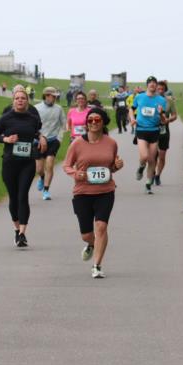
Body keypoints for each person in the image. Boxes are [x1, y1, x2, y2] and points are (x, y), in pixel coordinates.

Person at [63, 106, 124, 278]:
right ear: (86, 123)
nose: (93, 123)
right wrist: (76, 174)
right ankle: (91, 244)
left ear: (103, 122)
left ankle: (96, 265)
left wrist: (117, 167)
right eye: (90, 120)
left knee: (101, 226)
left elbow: (110, 167)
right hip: (82, 191)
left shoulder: (111, 143)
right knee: (86, 235)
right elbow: (66, 165)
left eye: (97, 120)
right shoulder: (77, 144)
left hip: (105, 190)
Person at [0, 85, 47, 247]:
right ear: (13, 101)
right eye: (17, 98)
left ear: (27, 101)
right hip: (9, 162)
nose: (20, 100)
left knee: (23, 195)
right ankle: (16, 228)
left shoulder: (32, 118)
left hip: (27, 162)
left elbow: (36, 131)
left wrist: (42, 137)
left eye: (23, 98)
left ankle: (22, 233)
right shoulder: (6, 118)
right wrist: (6, 140)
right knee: (13, 197)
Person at [129, 76, 167, 194]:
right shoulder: (139, 97)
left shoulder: (161, 100)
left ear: (156, 86)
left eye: (154, 83)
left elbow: (164, 120)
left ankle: (148, 184)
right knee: (145, 157)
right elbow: (131, 109)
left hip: (154, 131)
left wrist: (161, 113)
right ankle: (141, 167)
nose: (152, 85)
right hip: (141, 130)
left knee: (152, 160)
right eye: (150, 83)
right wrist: (132, 119)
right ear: (147, 85)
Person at [34, 87, 66, 200]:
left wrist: (59, 139)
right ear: (46, 95)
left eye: (56, 96)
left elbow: (63, 125)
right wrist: (37, 136)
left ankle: (46, 191)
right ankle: (42, 178)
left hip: (53, 140)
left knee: (50, 164)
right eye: (53, 96)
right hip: (38, 141)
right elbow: (32, 125)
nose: (55, 98)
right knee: (39, 169)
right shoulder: (36, 108)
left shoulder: (59, 109)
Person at [154, 80, 178, 186]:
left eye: (162, 89)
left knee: (162, 156)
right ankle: (152, 172)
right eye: (158, 89)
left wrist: (167, 120)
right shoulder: (151, 99)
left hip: (164, 130)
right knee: (153, 155)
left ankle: (158, 175)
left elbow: (174, 115)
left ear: (165, 90)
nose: (160, 91)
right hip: (152, 129)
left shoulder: (169, 101)